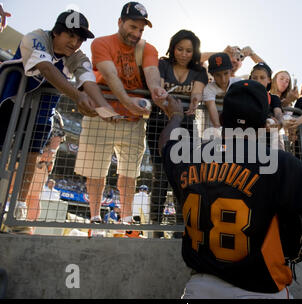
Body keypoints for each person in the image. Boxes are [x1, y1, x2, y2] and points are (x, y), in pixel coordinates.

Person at [159, 80, 302, 299]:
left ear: (221, 119)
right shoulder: (283, 164)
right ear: (263, 125)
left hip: (201, 289)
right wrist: (294, 241)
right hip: (262, 291)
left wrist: (175, 116)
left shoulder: (189, 156)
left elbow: (165, 144)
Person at [0, 10, 112, 226]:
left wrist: (104, 107)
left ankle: (19, 209)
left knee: (32, 156)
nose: (75, 42)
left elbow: (88, 81)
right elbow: (46, 68)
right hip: (10, 100)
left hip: (42, 109)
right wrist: (78, 96)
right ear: (57, 32)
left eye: (79, 39)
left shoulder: (77, 56)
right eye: (71, 35)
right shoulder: (36, 37)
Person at [74, 2, 168, 224]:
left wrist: (156, 90)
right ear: (120, 22)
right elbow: (109, 75)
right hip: (102, 115)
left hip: (133, 120)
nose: (136, 33)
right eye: (133, 27)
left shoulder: (148, 49)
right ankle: (95, 218)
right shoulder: (101, 43)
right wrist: (126, 100)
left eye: (141, 30)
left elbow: (152, 73)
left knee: (130, 174)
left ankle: (126, 219)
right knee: (95, 171)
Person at [147, 29, 208, 226]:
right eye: (180, 49)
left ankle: (180, 226)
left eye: (189, 51)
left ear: (195, 52)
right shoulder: (162, 64)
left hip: (187, 126)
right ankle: (155, 225)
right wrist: (171, 108)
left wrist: (195, 100)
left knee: (184, 174)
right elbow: (160, 92)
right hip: (159, 123)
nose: (183, 54)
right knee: (161, 174)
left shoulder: (199, 71)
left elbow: (197, 93)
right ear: (173, 48)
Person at [202, 53, 241, 129]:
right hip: (212, 134)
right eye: (218, 75)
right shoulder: (209, 88)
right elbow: (211, 107)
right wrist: (219, 129)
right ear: (212, 74)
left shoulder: (238, 83)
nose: (223, 79)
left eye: (226, 73)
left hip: (235, 132)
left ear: (231, 71)